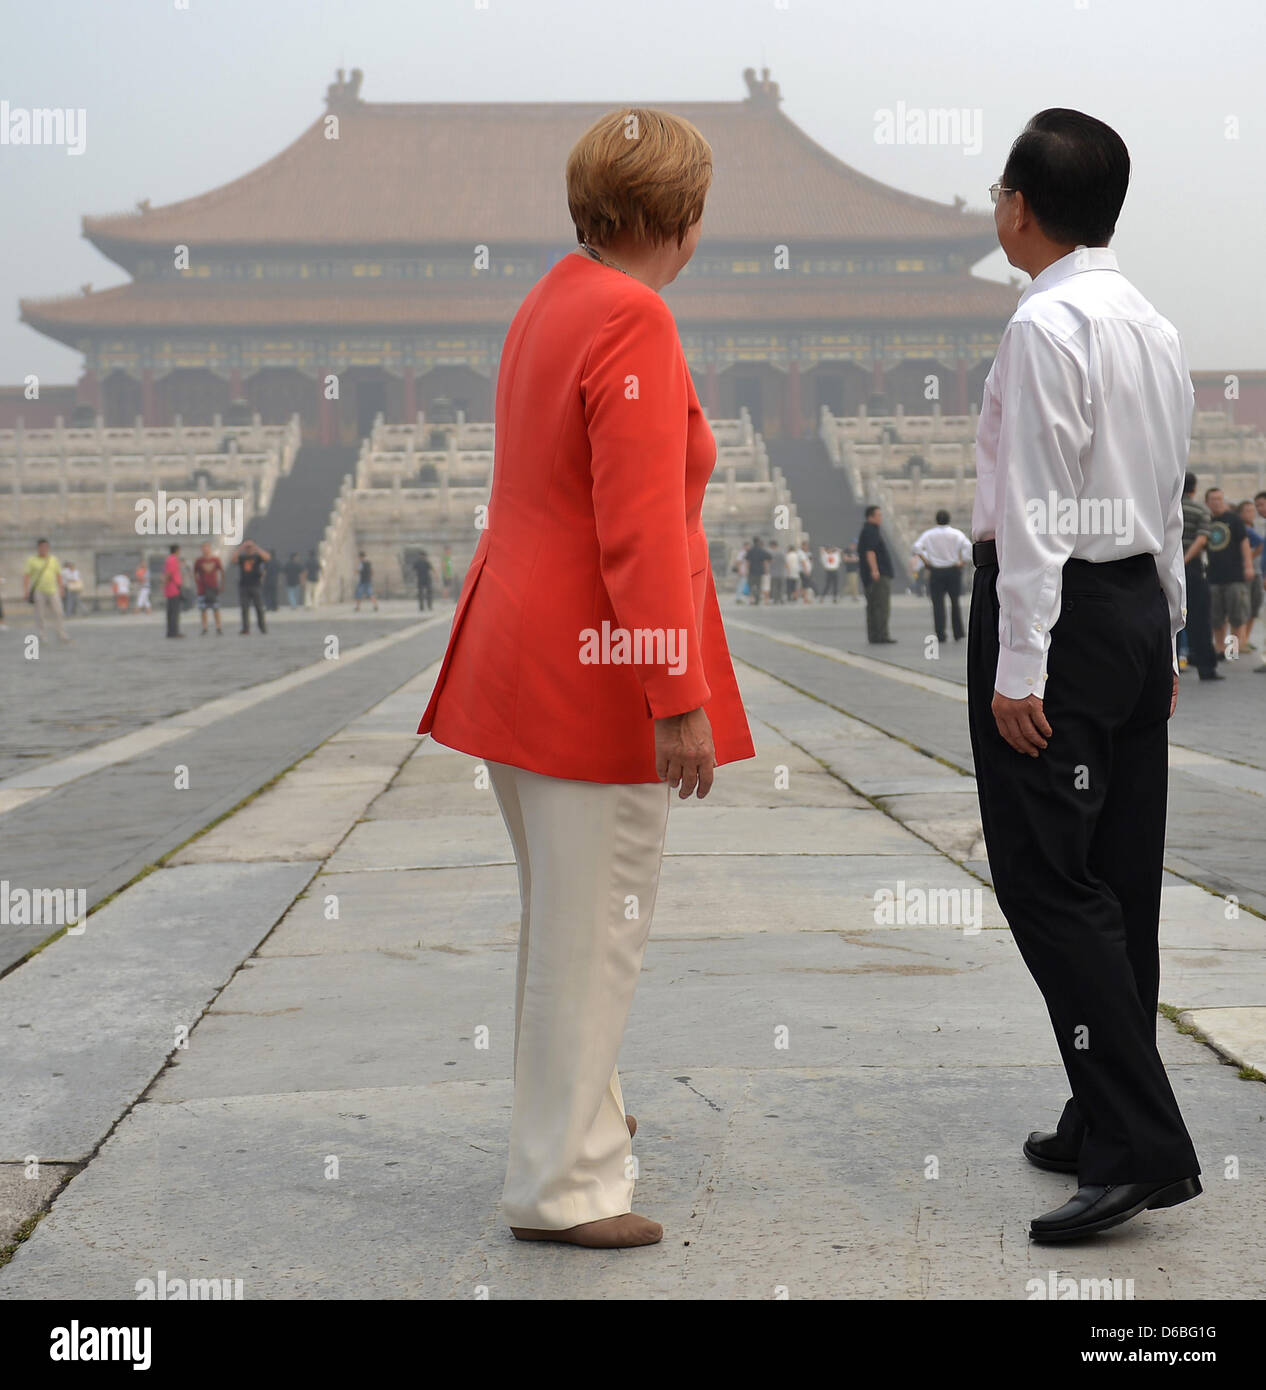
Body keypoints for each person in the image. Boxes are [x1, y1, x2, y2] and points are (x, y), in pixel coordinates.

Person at [418, 106, 753, 1250]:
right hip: (593, 675)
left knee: (561, 928)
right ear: (687, 217)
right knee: (592, 932)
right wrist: (679, 694)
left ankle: (584, 1132)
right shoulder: (635, 317)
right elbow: (642, 530)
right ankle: (563, 1186)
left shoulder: (552, 301)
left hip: (522, 658)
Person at [970, 109, 1200, 1242]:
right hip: (1127, 615)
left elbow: (1035, 511)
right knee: (1121, 878)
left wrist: (1018, 666)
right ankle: (1096, 1101)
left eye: (999, 191)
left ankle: (1141, 1144)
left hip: (1055, 622)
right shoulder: (1153, 325)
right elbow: (1168, 503)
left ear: (1021, 203)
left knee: (1049, 882)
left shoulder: (1042, 325)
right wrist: (1168, 639)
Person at [1203, 487, 1253, 659]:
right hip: (1213, 576)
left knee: (1236, 616)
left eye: (1219, 499)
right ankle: (1219, 649)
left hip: (1235, 575)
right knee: (1216, 617)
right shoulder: (1207, 520)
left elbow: (1244, 543)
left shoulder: (1234, 520)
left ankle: (1233, 651)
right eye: (1213, 499)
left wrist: (1248, 566)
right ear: (1207, 502)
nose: (1216, 502)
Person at [1180, 473, 1220, 680]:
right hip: (1193, 568)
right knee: (1200, 618)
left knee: (1171, 618)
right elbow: (1202, 538)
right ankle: (1206, 668)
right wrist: (1186, 559)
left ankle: (1171, 665)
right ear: (1194, 490)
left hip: (1170, 566)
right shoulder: (1201, 510)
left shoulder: (1169, 507)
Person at [912, 509, 972, 643]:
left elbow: (916, 547)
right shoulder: (956, 534)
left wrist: (926, 561)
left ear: (936, 520)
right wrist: (962, 561)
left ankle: (940, 633)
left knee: (938, 603)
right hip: (953, 570)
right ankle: (958, 632)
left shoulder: (928, 534)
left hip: (936, 571)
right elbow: (968, 547)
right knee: (955, 602)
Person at [857, 505, 895, 643]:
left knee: (873, 606)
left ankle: (874, 635)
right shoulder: (870, 531)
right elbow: (870, 551)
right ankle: (881, 635)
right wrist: (875, 570)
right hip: (878, 575)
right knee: (880, 606)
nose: (881, 518)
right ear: (871, 517)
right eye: (878, 515)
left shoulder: (868, 530)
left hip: (871, 575)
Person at [23, 538, 70, 643]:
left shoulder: (53, 559)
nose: (44, 549)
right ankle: (42, 634)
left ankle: (61, 633)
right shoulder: (32, 560)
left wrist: (61, 588)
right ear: (38, 548)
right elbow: (26, 576)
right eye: (42, 547)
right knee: (40, 614)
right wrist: (26, 591)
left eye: (46, 547)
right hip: (39, 590)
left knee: (59, 612)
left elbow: (58, 575)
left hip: (53, 590)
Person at [1239, 499, 1263, 651]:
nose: (1251, 513)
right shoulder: (1242, 529)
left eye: (1252, 510)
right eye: (1247, 510)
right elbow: (1262, 543)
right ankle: (1237, 645)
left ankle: (1245, 639)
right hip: (1244, 574)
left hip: (1257, 572)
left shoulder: (1254, 528)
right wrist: (1250, 558)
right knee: (1241, 610)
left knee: (1254, 607)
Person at [235, 539, 269, 634]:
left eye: (250, 547)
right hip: (244, 586)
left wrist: (256, 548)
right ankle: (246, 628)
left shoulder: (257, 557)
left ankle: (262, 627)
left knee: (259, 608)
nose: (248, 549)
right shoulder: (242, 557)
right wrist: (241, 548)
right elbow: (233, 559)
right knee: (244, 608)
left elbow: (267, 558)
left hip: (255, 585)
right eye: (247, 547)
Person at [193, 540, 224, 637]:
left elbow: (222, 572)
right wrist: (197, 583)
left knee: (216, 608)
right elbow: (194, 573)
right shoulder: (199, 561)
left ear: (210, 549)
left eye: (207, 547)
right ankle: (204, 627)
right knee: (203, 609)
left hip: (213, 587)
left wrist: (222, 585)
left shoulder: (215, 560)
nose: (205, 549)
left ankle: (218, 627)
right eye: (203, 548)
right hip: (203, 588)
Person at [163, 543, 185, 638]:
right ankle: (174, 632)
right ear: (177, 550)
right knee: (174, 612)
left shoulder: (168, 559)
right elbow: (169, 573)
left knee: (170, 612)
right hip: (174, 588)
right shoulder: (173, 559)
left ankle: (170, 631)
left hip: (170, 588)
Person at [745, 536, 770, 606]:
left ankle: (751, 600)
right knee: (758, 586)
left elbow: (748, 562)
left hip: (751, 571)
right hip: (760, 572)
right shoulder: (762, 550)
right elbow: (766, 560)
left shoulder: (750, 551)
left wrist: (747, 570)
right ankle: (757, 600)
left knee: (751, 586)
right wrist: (766, 570)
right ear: (758, 542)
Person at [262, 546, 280, 612]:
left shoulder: (267, 561)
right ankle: (274, 607)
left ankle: (268, 607)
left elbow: (264, 572)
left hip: (267, 580)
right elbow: (279, 572)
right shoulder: (277, 562)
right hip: (274, 580)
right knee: (274, 594)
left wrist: (262, 580)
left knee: (267, 594)